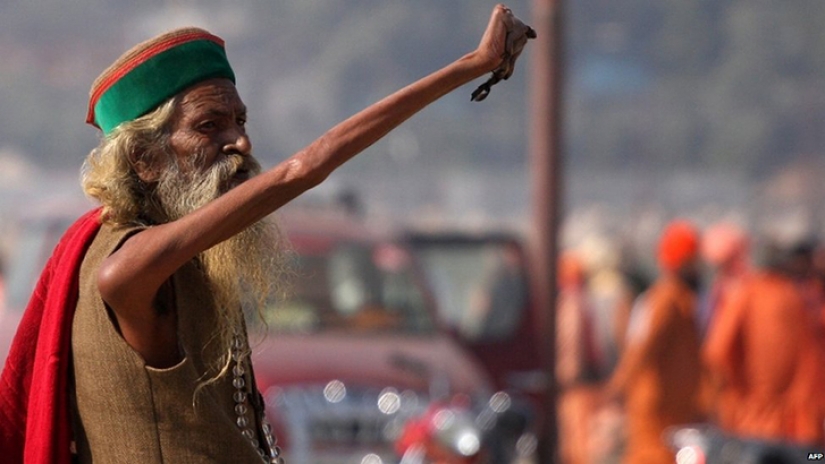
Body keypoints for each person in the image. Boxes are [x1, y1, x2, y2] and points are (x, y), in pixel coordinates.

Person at [0, 6, 535, 464]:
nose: (240, 142)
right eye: (210, 126)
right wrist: (471, 65)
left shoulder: (189, 259)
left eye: (239, 120)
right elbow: (303, 168)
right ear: (143, 158)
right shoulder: (126, 270)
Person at [704, 239, 825, 448]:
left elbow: (716, 353)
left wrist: (735, 396)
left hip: (754, 424)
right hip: (801, 429)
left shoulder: (746, 295)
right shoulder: (802, 299)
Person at [606, 219, 708, 464]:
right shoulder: (664, 300)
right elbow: (642, 347)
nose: (698, 269)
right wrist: (618, 387)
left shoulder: (682, 301)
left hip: (675, 413)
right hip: (655, 412)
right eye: (693, 262)